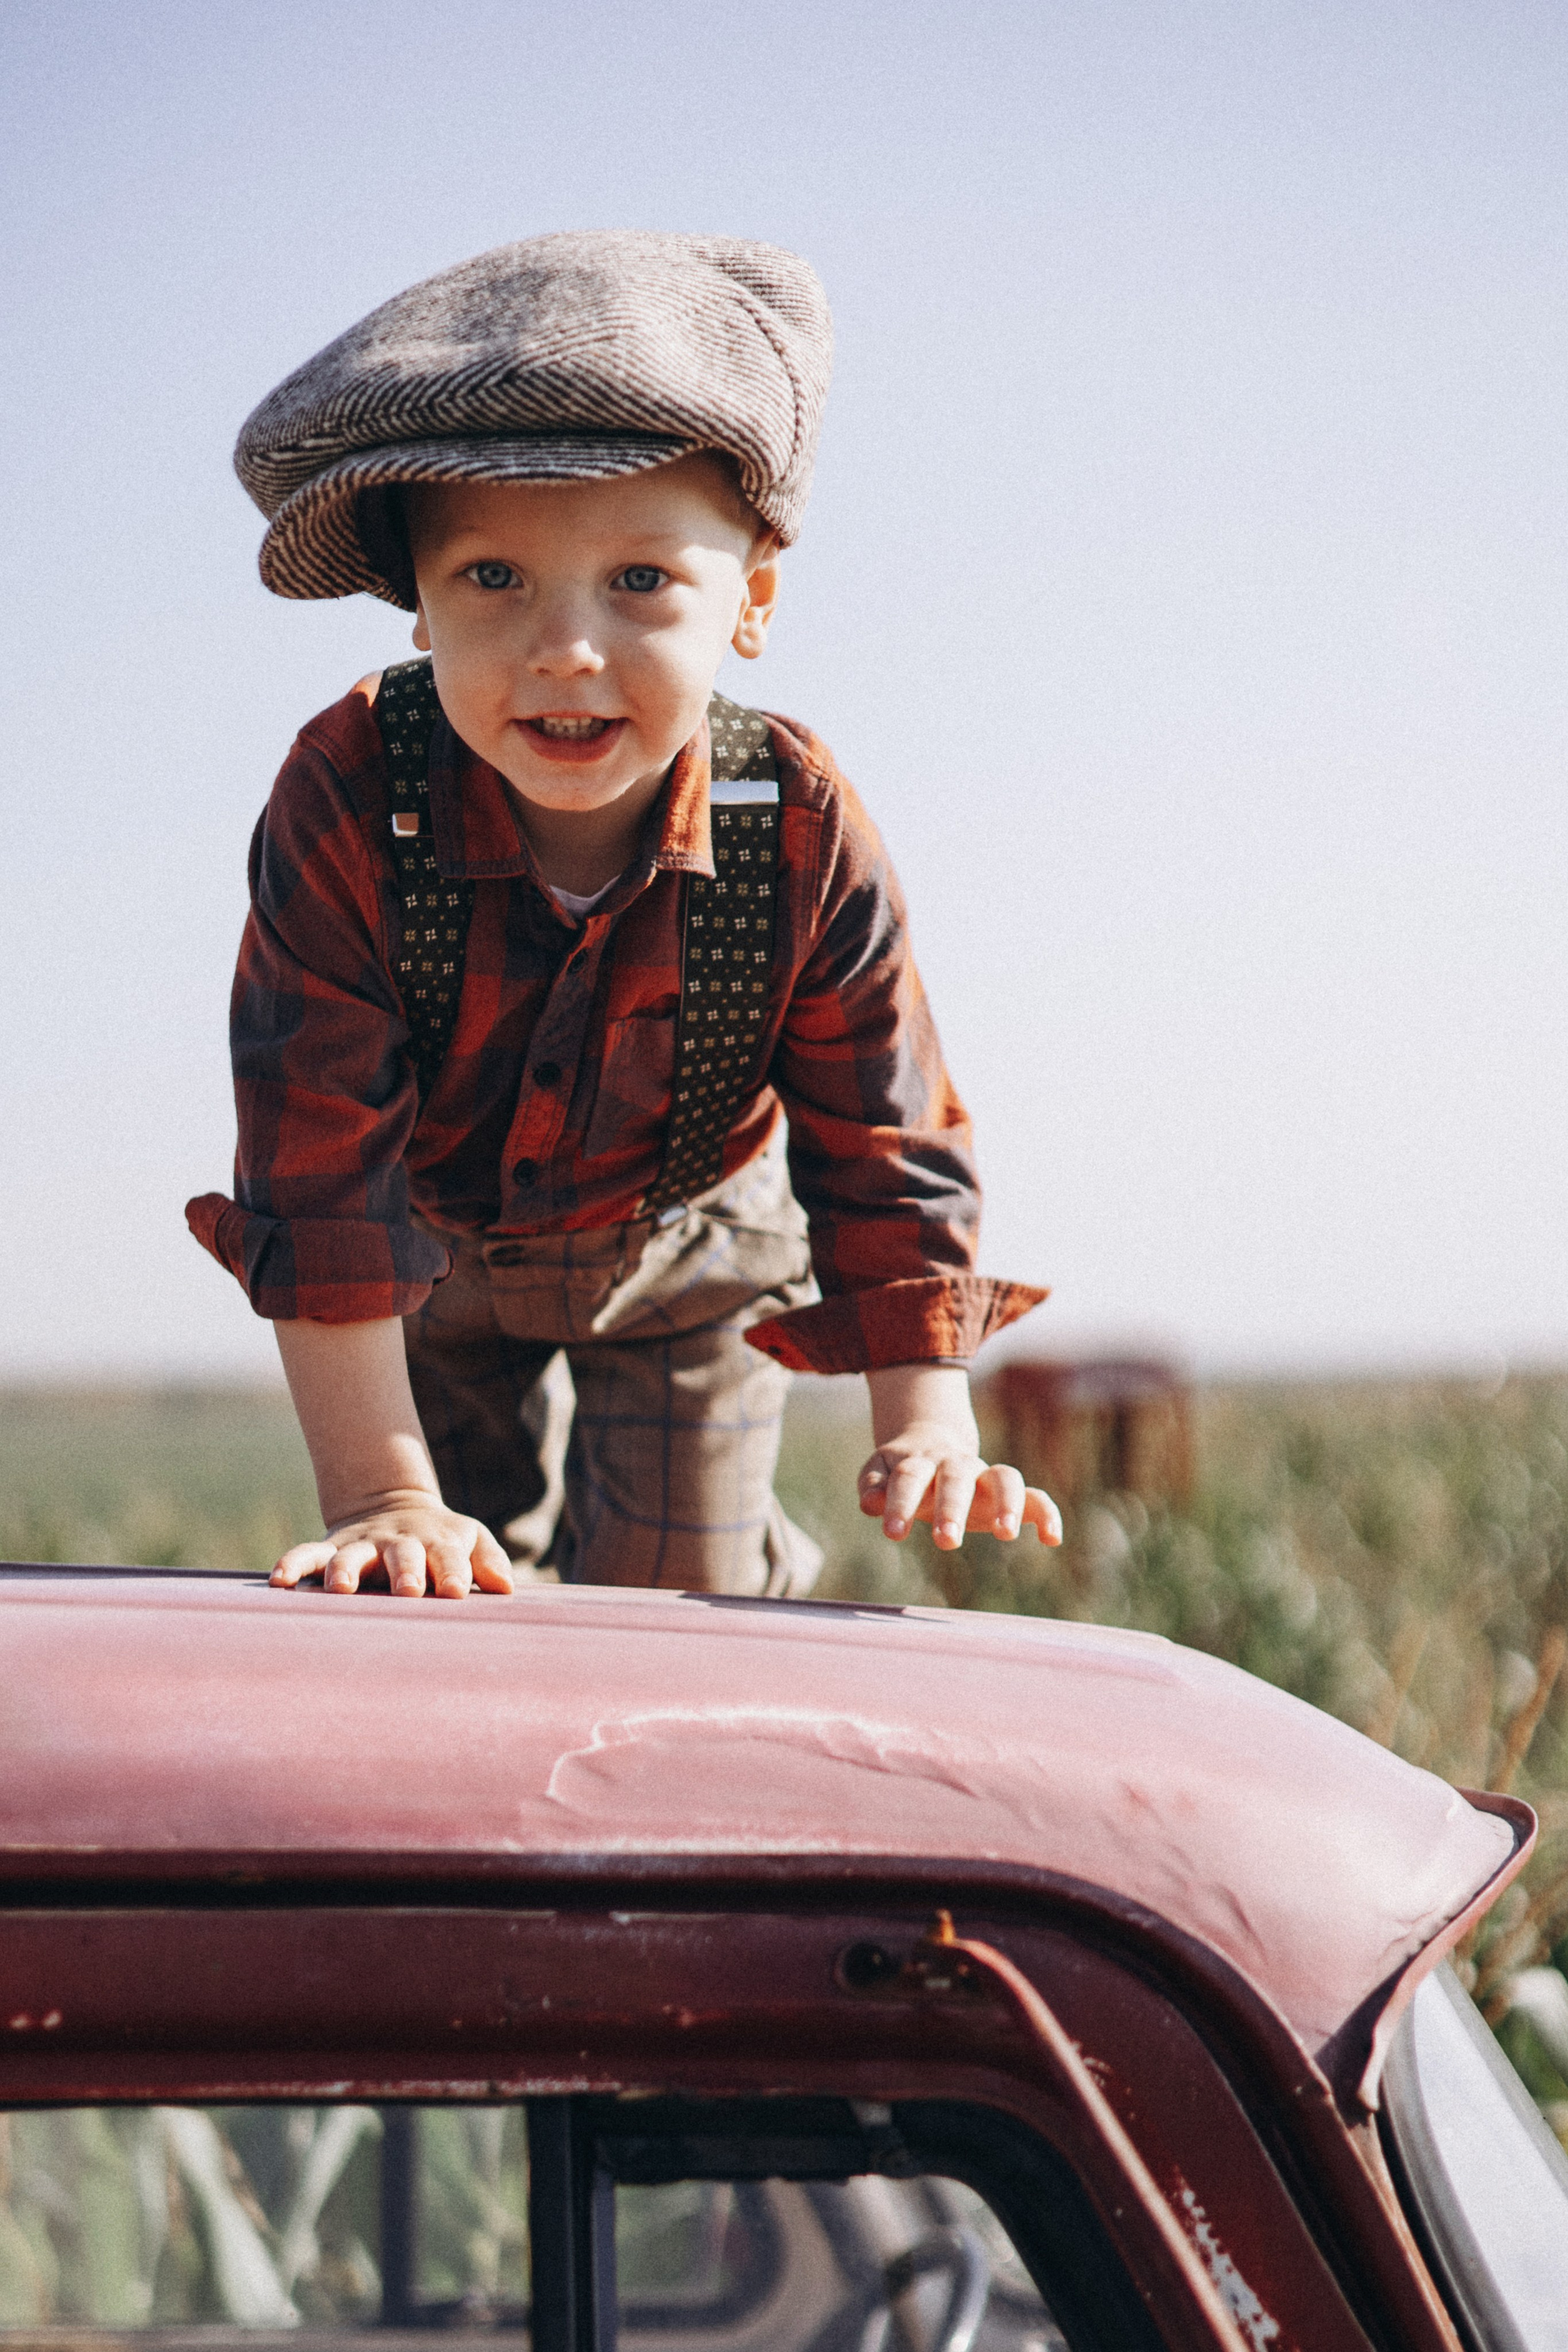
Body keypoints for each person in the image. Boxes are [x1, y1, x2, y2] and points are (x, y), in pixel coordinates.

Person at [187, 230, 1060, 1600]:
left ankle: (741, 1565)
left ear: (749, 602)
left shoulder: (795, 824)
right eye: (492, 578)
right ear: (417, 604)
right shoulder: (353, 798)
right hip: (422, 1259)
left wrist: (924, 1418)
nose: (567, 650)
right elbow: (319, 1164)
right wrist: (383, 1497)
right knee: (430, 1593)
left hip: (684, 1245)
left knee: (667, 1610)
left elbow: (881, 1134)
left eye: (641, 581)